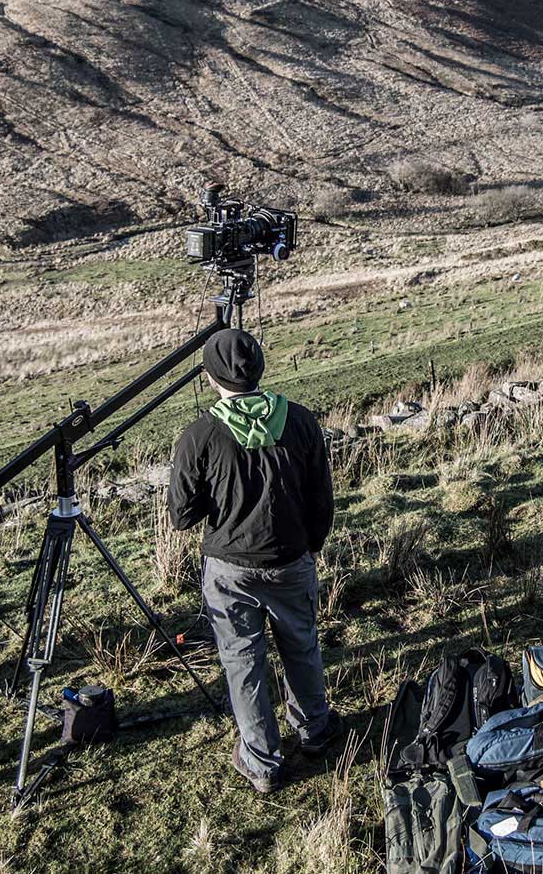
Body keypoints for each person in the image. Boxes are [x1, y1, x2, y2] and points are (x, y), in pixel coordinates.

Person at [169, 329, 340, 795]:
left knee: (242, 659)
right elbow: (321, 497)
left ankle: (262, 760)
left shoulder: (200, 434)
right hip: (292, 558)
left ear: (210, 378)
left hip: (230, 568)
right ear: (260, 367)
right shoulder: (300, 420)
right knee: (301, 645)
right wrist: (312, 545)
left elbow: (181, 515)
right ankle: (315, 730)